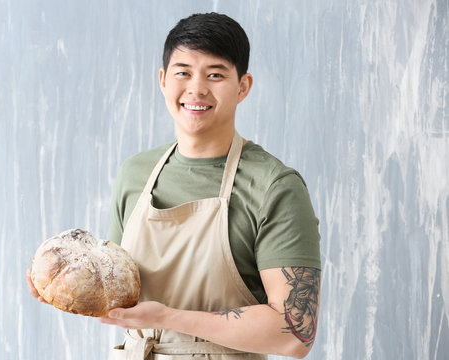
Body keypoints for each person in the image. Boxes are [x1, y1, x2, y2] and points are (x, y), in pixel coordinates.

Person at [28, 12, 321, 359]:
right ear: (163, 80)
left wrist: (170, 318)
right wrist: (61, 286)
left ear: (243, 86)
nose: (196, 88)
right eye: (183, 72)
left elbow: (294, 335)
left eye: (215, 74)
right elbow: (119, 296)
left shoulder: (275, 187)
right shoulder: (136, 172)